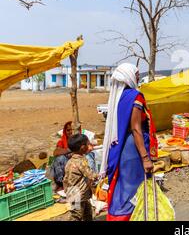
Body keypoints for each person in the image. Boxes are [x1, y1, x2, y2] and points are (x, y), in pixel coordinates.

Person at [100, 63, 158, 221]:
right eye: (137, 75)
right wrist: (145, 158)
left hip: (123, 147)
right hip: (134, 149)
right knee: (132, 187)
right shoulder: (135, 96)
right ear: (129, 76)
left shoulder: (119, 97)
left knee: (123, 185)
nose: (138, 77)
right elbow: (136, 128)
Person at [63, 134, 99, 221]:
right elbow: (91, 175)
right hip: (78, 194)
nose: (89, 146)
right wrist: (101, 174)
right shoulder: (80, 162)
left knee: (87, 212)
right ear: (83, 147)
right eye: (88, 144)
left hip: (73, 192)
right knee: (76, 216)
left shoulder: (70, 161)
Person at [50, 121, 74, 190]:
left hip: (74, 166)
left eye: (72, 130)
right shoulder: (62, 142)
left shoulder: (77, 140)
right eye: (68, 130)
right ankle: (60, 183)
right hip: (64, 168)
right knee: (60, 158)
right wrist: (70, 150)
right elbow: (56, 152)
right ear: (65, 131)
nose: (70, 132)